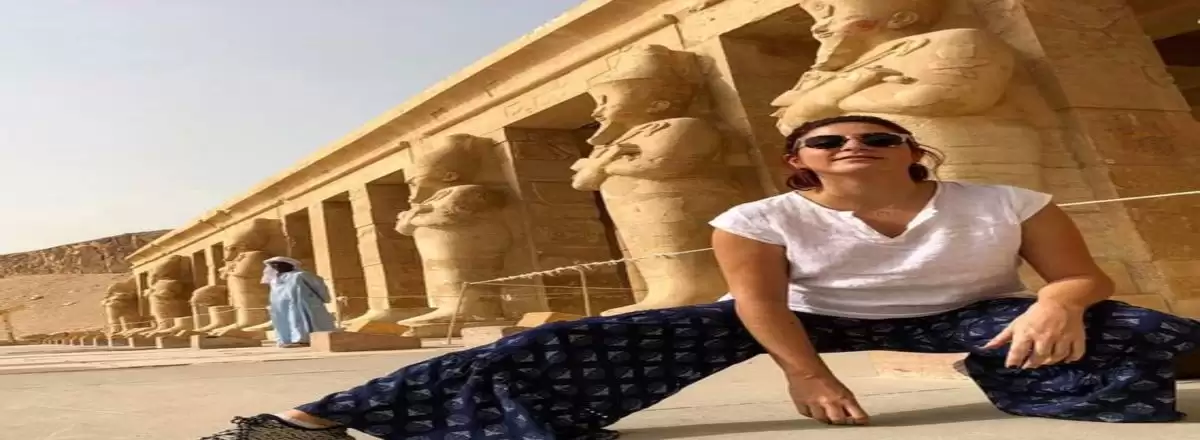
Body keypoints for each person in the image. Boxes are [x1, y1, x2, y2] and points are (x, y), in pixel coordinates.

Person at [201, 115, 1200, 440]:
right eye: (829, 140)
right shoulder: (758, 216)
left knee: (1143, 333)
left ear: (913, 152)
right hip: (799, 314)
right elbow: (759, 300)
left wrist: (1058, 299)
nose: (853, 146)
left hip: (963, 309)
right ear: (800, 162)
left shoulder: (1006, 199)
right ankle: (319, 419)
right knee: (563, 342)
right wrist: (807, 374)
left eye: (874, 136)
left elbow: (1083, 274)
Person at [261, 256, 338, 349]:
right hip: (282, 306)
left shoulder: (301, 275)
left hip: (303, 304)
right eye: (273, 265)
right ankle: (287, 340)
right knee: (284, 322)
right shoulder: (275, 280)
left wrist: (324, 298)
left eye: (277, 264)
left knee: (301, 320)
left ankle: (303, 340)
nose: (275, 267)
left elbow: (318, 286)